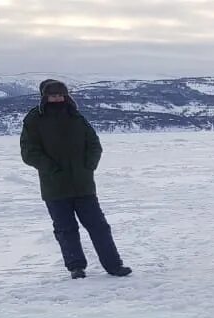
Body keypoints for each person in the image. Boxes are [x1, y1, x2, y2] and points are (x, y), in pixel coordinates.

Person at [20, 79, 131, 279]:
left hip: (83, 185)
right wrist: (51, 169)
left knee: (99, 227)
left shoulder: (76, 116)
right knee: (65, 229)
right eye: (53, 95)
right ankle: (75, 267)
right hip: (55, 187)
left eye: (60, 95)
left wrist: (89, 166)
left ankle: (114, 265)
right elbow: (29, 152)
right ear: (45, 97)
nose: (57, 98)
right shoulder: (34, 119)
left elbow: (94, 144)